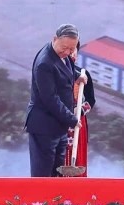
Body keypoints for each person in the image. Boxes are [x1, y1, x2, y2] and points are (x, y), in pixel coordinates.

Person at [25, 24, 87, 177]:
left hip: (59, 127)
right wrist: (72, 119)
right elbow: (50, 99)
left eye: (71, 49)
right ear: (55, 39)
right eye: (64, 48)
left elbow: (63, 73)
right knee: (43, 174)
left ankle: (55, 193)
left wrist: (76, 77)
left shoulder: (64, 55)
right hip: (44, 127)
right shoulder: (44, 63)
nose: (67, 52)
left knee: (57, 173)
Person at [63, 40, 96, 176]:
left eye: (73, 49)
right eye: (67, 49)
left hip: (77, 123)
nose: (71, 53)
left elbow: (91, 100)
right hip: (59, 121)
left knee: (77, 157)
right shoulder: (54, 72)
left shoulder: (83, 73)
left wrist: (80, 110)